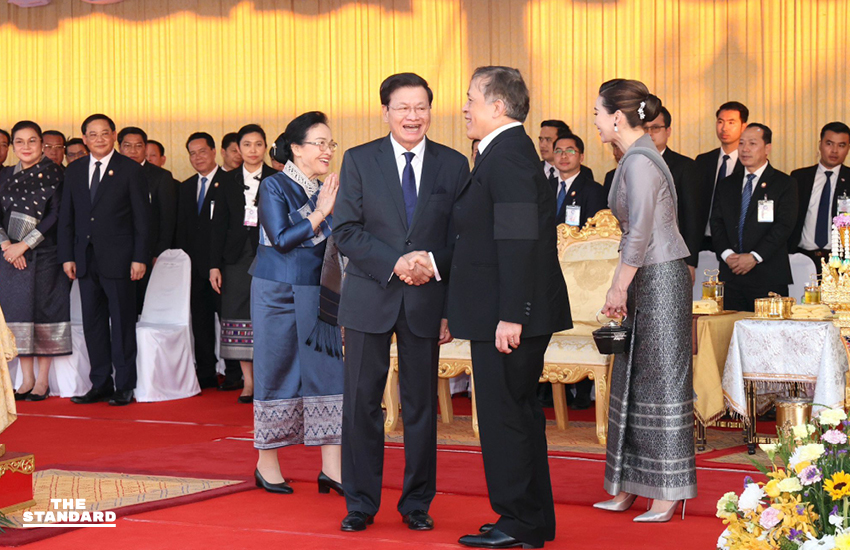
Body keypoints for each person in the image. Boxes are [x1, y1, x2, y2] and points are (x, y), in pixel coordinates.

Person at [333, 72, 469, 533]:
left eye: (421, 107)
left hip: (427, 302)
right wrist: (397, 262)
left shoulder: (453, 164)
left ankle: (417, 503)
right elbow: (345, 231)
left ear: (431, 110)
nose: (413, 117)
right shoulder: (358, 160)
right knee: (361, 402)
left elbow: (462, 238)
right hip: (370, 295)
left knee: (420, 406)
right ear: (386, 112)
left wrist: (433, 271)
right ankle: (360, 502)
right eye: (403, 108)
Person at [450, 66, 570, 550]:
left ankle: (519, 521)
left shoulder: (508, 157)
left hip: (509, 315)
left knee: (505, 418)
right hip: (505, 311)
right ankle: (531, 519)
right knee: (518, 417)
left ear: (497, 106)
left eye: (471, 98)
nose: (464, 107)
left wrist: (511, 314)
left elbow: (519, 241)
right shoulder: (503, 152)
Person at [593, 79, 696, 523]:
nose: (594, 120)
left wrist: (618, 286)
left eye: (597, 112)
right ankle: (631, 484)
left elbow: (640, 233)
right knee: (634, 382)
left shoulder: (639, 162)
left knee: (661, 385)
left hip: (660, 277)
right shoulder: (636, 157)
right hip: (647, 277)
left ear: (617, 117)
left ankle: (669, 489)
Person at [251, 112, 345, 496]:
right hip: (277, 292)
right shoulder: (274, 185)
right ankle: (266, 463)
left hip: (319, 292)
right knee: (277, 370)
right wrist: (322, 211)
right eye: (319, 143)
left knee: (328, 370)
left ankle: (332, 469)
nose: (327, 150)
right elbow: (282, 236)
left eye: (330, 144)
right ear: (295, 149)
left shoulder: (322, 187)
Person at [58, 114, 150, 407]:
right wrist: (67, 256)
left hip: (120, 260)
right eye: (92, 134)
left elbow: (142, 219)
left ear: (113, 136)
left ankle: (124, 385)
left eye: (105, 133)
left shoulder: (130, 169)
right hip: (85, 260)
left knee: (121, 323)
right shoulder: (73, 171)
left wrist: (139, 257)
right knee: (93, 324)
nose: (99, 139)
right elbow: (67, 218)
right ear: (84, 139)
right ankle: (99, 383)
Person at [0, 121, 71, 401]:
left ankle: (42, 381)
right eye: (19, 141)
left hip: (46, 254)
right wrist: (8, 246)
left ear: (42, 144)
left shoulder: (57, 174)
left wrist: (24, 245)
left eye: (32, 141)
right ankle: (26, 378)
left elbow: (57, 215)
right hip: (9, 256)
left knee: (45, 312)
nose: (26, 147)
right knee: (19, 313)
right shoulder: (4, 175)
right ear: (13, 146)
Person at [210, 124, 277, 403]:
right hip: (236, 258)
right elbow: (218, 226)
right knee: (239, 316)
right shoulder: (226, 181)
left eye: (258, 144)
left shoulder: (278, 179)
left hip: (271, 255)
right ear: (238, 149)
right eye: (246, 145)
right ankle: (248, 383)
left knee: (271, 316)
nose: (252, 150)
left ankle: (271, 381)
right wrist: (214, 265)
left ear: (265, 147)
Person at [710, 124, 798, 311]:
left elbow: (784, 226)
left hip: (768, 275)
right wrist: (728, 255)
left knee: (768, 336)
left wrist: (754, 257)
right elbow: (716, 222)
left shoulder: (784, 183)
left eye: (752, 143)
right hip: (731, 274)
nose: (745, 149)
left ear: (767, 148)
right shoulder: (727, 184)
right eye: (741, 143)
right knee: (729, 335)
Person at [174, 132, 234, 390]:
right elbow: (181, 230)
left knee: (228, 319)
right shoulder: (185, 187)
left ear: (214, 152)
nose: (197, 157)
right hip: (194, 268)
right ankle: (206, 371)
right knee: (200, 322)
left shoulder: (230, 182)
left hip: (223, 266)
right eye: (192, 152)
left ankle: (233, 372)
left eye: (202, 151)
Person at [118, 127, 178, 314]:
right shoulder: (111, 174)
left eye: (138, 146)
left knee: (145, 304)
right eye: (128, 146)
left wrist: (159, 252)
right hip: (117, 253)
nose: (133, 151)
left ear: (145, 148)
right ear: (119, 148)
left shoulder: (161, 176)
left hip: (148, 253)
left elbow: (168, 219)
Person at [644, 107, 700, 280]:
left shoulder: (684, 167)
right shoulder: (631, 163)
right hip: (637, 254)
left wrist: (690, 262)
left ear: (668, 131)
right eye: (645, 129)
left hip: (671, 255)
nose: (649, 133)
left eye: (655, 128)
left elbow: (691, 217)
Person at [790, 121, 850, 273]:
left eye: (841, 145)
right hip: (801, 258)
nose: (834, 151)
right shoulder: (799, 178)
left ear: (848, 148)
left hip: (842, 262)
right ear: (820, 144)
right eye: (829, 143)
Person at [694, 102, 747, 252]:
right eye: (720, 122)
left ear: (744, 126)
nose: (724, 128)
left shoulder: (749, 164)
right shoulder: (703, 161)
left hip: (736, 245)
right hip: (703, 242)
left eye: (731, 122)